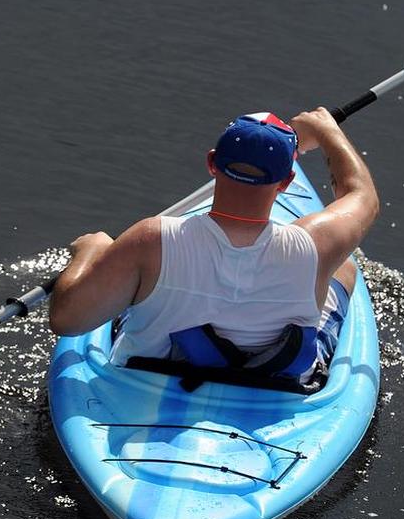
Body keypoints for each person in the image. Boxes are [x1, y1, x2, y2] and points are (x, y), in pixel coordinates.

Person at [48, 107, 379, 386]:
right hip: (274, 386)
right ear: (286, 182)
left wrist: (93, 251)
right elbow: (361, 196)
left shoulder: (150, 239)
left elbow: (66, 320)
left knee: (131, 276)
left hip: (151, 376)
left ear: (212, 163)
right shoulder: (316, 244)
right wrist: (325, 132)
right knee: (345, 266)